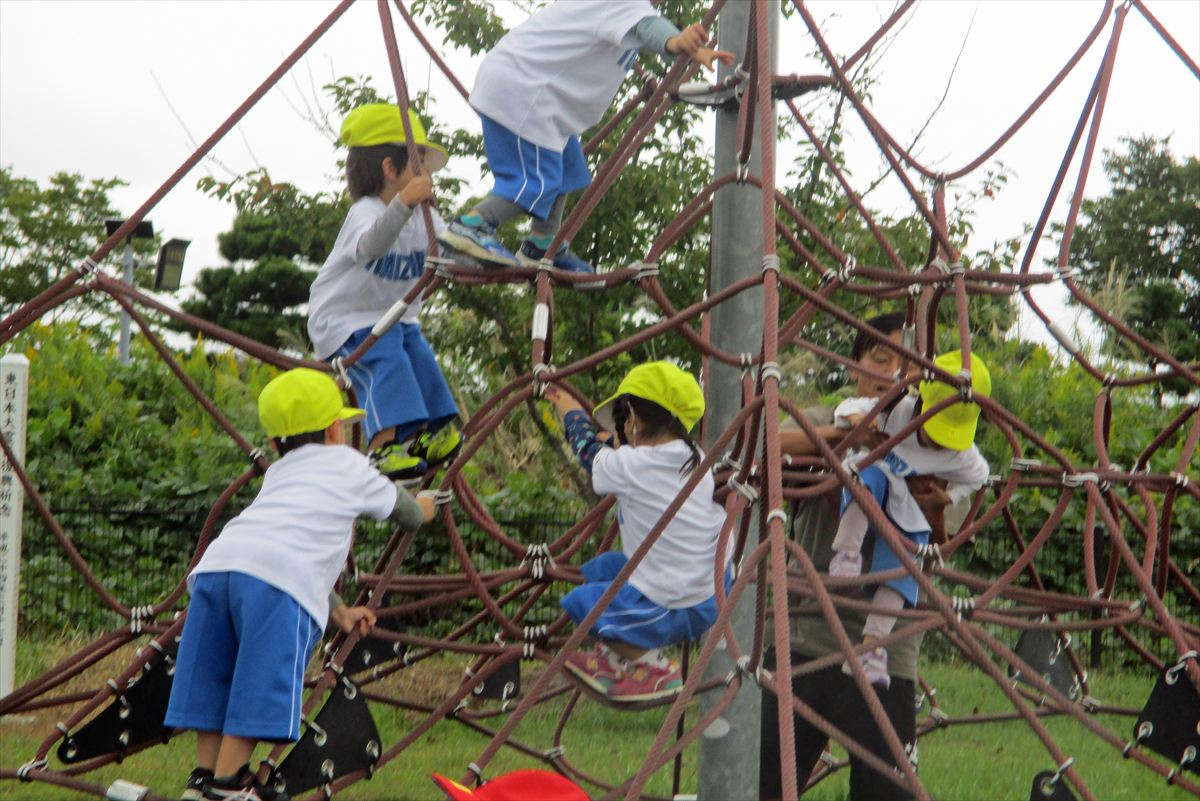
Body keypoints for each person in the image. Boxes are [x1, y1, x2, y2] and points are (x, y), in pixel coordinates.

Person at [164, 368, 436, 801]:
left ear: (274, 444)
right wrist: (426, 504)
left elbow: (285, 545)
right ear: (335, 429)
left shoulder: (279, 471)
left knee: (216, 676)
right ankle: (229, 785)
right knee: (258, 680)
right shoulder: (349, 462)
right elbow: (407, 515)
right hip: (276, 584)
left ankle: (203, 778)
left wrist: (339, 610)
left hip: (218, 569)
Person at [760, 311, 958, 801]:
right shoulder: (828, 419)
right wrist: (851, 436)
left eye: (907, 363)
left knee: (883, 792)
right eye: (880, 357)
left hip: (881, 653)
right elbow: (767, 450)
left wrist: (931, 507)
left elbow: (948, 535)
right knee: (763, 785)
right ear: (854, 366)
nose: (893, 372)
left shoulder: (937, 440)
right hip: (802, 636)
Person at [437, 0, 734, 273]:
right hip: (526, 92)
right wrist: (677, 41)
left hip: (539, 99)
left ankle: (542, 244)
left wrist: (679, 43)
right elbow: (648, 27)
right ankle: (472, 225)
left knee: (566, 169)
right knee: (535, 181)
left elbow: (644, 24)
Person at [543, 361, 729, 702]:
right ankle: (622, 657)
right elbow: (641, 465)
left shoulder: (633, 466)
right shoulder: (695, 459)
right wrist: (616, 443)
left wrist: (569, 411)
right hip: (712, 584)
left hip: (676, 602)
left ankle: (653, 668)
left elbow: (588, 453)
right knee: (606, 568)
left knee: (582, 603)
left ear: (633, 420)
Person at [307, 103, 461, 481]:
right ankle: (382, 447)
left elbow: (451, 249)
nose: (426, 176)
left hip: (395, 318)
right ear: (390, 169)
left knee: (419, 357)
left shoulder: (424, 215)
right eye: (418, 166)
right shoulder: (368, 211)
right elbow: (371, 248)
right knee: (387, 357)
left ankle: (426, 436)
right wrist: (406, 201)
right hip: (345, 320)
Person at [828, 349, 991, 686]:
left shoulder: (962, 455)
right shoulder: (897, 410)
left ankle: (872, 647)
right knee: (866, 475)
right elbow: (847, 407)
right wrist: (861, 421)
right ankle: (846, 553)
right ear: (919, 403)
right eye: (936, 429)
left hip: (905, 507)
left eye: (950, 434)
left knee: (908, 562)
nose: (939, 443)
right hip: (873, 483)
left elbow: (979, 476)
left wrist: (948, 498)